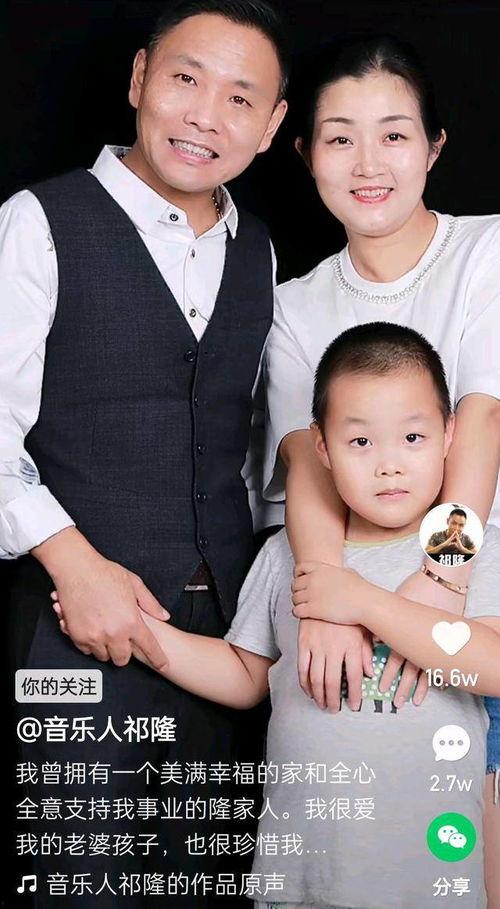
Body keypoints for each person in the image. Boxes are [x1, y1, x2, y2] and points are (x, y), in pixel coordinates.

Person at [54, 323, 500, 909]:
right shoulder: (287, 553)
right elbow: (246, 674)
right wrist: (138, 630)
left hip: (426, 879)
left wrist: (363, 602)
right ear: (322, 448)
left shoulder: (471, 553)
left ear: (448, 436)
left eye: (412, 437)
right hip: (299, 875)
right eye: (360, 442)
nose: (389, 465)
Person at [2, 1, 288, 905]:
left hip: (227, 646)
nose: (206, 116)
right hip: (73, 627)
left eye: (240, 98)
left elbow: (251, 451)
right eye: (185, 79)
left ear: (272, 125)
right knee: (81, 880)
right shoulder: (39, 221)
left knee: (207, 881)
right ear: (138, 80)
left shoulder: (259, 250)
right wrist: (73, 560)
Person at [261, 33, 500, 900]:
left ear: (434, 147)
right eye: (340, 137)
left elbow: (483, 418)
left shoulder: (486, 251)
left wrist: (441, 577)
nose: (368, 163)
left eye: (394, 134)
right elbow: (303, 455)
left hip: (477, 606)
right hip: (365, 610)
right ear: (305, 153)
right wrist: (326, 600)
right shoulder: (294, 307)